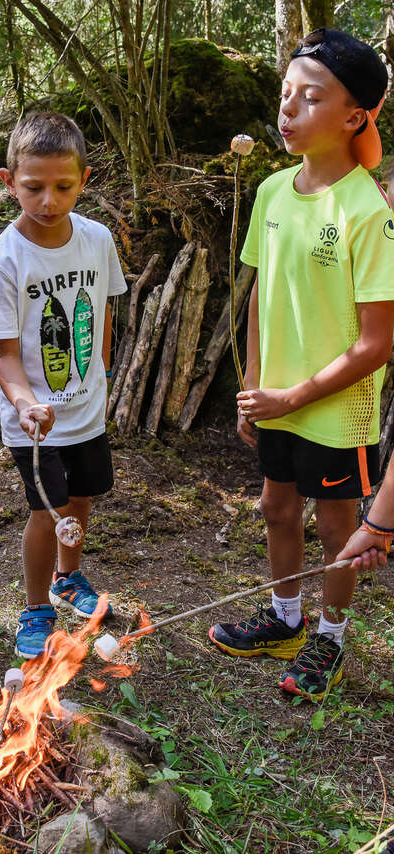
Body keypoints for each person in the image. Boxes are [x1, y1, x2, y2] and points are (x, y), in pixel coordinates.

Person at [208, 28, 394, 701]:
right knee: (274, 508)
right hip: (278, 396)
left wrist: (296, 396)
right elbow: (260, 293)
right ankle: (286, 619)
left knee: (338, 526)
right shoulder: (273, 193)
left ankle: (332, 636)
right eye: (286, 96)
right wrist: (257, 384)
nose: (288, 110)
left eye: (310, 98)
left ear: (354, 116)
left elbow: (376, 343)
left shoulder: (369, 212)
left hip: (336, 406)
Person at [0, 111, 126, 658]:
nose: (48, 201)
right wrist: (24, 404)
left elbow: (104, 313)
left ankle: (69, 576)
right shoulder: (4, 261)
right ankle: (36, 605)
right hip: (34, 423)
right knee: (46, 512)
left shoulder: (97, 239)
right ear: (8, 181)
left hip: (87, 411)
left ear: (84, 180)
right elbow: (5, 356)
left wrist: (102, 372)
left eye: (64, 187)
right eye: (33, 187)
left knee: (81, 497)